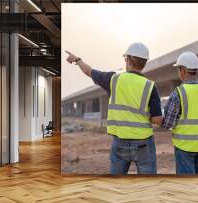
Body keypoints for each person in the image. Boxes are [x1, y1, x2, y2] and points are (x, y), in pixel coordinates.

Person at [65, 42, 162, 175]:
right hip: (143, 144)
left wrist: (77, 60)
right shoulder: (150, 86)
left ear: (127, 60)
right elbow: (157, 120)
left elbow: (89, 71)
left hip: (120, 142)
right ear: (144, 63)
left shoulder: (114, 80)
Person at [162, 51, 198, 174]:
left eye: (178, 69)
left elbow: (167, 123)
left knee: (187, 185)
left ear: (183, 69)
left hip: (184, 147)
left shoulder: (179, 93)